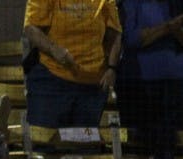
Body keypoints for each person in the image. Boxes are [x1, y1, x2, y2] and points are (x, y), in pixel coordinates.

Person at [115, 1, 183, 159]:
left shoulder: (182, 3)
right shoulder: (130, 3)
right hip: (140, 82)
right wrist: (168, 27)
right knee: (142, 143)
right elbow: (131, 39)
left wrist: (177, 30)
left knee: (172, 144)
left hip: (180, 81)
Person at [22, 0, 121, 128]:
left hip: (92, 85)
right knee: (46, 142)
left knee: (85, 145)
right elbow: (31, 28)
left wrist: (111, 68)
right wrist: (53, 49)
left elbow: (115, 33)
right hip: (52, 79)